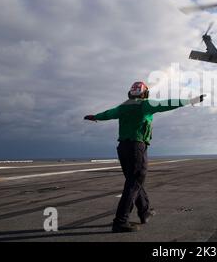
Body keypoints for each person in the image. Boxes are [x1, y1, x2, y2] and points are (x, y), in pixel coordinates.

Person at [84, 81, 205, 233]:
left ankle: (144, 211)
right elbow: (167, 104)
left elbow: (108, 114)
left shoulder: (123, 107)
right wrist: (190, 101)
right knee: (134, 182)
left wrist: (95, 116)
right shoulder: (145, 105)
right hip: (137, 147)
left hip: (123, 148)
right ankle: (120, 221)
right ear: (145, 93)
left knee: (134, 181)